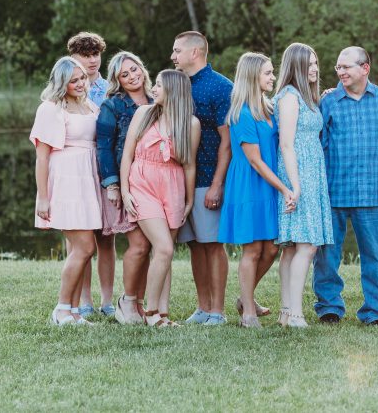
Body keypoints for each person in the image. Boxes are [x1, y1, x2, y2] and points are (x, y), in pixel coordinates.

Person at [314, 46, 378, 325]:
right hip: (333, 191)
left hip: (372, 193)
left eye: (346, 67)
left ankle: (374, 311)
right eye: (338, 68)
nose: (340, 72)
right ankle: (329, 306)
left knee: (373, 257)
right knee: (327, 256)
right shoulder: (327, 102)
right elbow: (316, 143)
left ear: (365, 68)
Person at [218, 53, 297, 328]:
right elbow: (254, 159)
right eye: (267, 73)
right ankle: (248, 312)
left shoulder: (268, 107)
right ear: (252, 76)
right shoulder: (241, 113)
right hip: (249, 184)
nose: (272, 77)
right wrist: (284, 188)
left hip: (268, 183)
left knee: (271, 248)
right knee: (252, 249)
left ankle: (244, 297)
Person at [121, 69, 201, 328]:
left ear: (174, 91)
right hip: (142, 182)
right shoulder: (143, 113)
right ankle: (151, 310)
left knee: (163, 253)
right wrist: (124, 190)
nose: (153, 89)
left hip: (173, 186)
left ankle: (163, 314)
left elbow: (189, 165)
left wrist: (189, 201)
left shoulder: (190, 124)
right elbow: (127, 155)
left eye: (158, 85)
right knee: (164, 247)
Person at [31, 56, 103, 326]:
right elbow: (42, 158)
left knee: (83, 248)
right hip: (66, 181)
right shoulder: (51, 109)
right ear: (62, 82)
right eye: (73, 81)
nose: (80, 84)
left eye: (82, 78)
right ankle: (61, 308)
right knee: (84, 246)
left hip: (87, 179)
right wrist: (43, 197)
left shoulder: (89, 105)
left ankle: (72, 311)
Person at [171, 31, 233, 326]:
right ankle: (202, 306)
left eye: (177, 50)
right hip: (180, 179)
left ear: (195, 53)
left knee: (212, 244)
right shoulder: (178, 85)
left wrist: (218, 185)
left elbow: (227, 141)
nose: (173, 56)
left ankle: (218, 311)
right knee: (194, 244)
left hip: (209, 178)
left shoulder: (221, 87)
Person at [273, 43, 333, 328]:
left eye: (316, 62)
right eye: (308, 64)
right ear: (295, 66)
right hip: (298, 173)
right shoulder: (288, 97)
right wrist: (295, 186)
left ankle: (286, 311)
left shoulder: (306, 97)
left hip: (312, 171)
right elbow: (286, 144)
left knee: (292, 248)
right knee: (306, 245)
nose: (314, 68)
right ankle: (295, 312)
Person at [96, 51, 154, 324]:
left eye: (134, 69)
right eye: (124, 74)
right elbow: (104, 146)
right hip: (127, 181)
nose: (132, 76)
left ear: (142, 68)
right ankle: (127, 300)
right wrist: (112, 185)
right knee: (139, 244)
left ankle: (139, 303)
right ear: (117, 80)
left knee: (151, 245)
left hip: (155, 181)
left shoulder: (157, 99)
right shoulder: (113, 105)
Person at [66, 31, 112, 317]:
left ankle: (107, 300)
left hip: (104, 171)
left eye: (95, 54)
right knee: (79, 241)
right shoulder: (64, 91)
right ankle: (84, 299)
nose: (92, 60)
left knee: (105, 238)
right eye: (86, 55)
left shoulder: (109, 89)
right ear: (74, 58)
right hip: (76, 173)